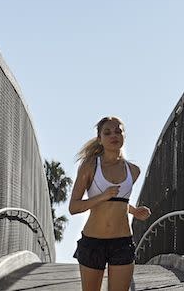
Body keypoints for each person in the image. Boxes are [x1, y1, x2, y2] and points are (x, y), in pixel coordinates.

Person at [69, 116, 152, 291]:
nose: (113, 135)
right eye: (107, 132)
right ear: (100, 139)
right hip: (93, 242)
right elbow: (74, 207)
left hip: (122, 243)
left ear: (124, 136)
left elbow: (118, 203)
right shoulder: (90, 166)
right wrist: (102, 197)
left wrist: (134, 211)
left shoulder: (133, 171)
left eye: (118, 131)